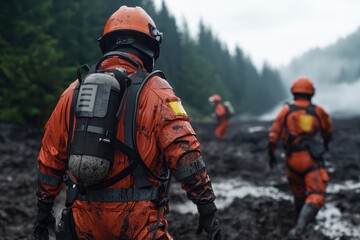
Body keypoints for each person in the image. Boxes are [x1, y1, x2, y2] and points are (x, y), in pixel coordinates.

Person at [33, 6, 221, 240]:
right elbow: (185, 153)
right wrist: (207, 208)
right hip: (138, 224)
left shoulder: (73, 92)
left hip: (83, 223)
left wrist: (43, 211)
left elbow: (50, 158)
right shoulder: (157, 91)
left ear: (108, 45)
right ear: (150, 46)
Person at [267, 76, 332, 237]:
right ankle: (300, 228)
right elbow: (328, 132)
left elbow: (273, 137)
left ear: (294, 92)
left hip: (292, 161)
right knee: (316, 194)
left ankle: (299, 222)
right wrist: (324, 146)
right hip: (312, 161)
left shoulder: (285, 111)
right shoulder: (319, 112)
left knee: (298, 192)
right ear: (311, 94)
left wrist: (271, 155)